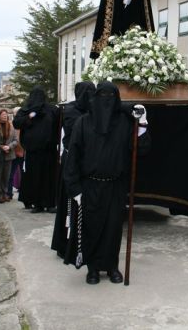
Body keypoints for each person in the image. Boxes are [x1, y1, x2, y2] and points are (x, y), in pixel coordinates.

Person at [63, 82, 149, 284]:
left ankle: (112, 267)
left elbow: (141, 149)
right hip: (90, 185)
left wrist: (142, 122)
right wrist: (74, 187)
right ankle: (92, 268)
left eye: (111, 96)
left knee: (113, 228)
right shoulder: (83, 123)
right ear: (95, 98)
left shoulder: (125, 123)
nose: (106, 101)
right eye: (102, 95)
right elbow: (73, 156)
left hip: (115, 185)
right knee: (92, 227)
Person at [51, 81, 95, 258]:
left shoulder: (94, 111)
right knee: (69, 204)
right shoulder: (70, 111)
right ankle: (65, 244)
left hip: (89, 163)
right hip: (73, 162)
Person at [13, 87, 59, 213]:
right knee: (35, 177)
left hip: (49, 150)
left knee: (48, 177)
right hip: (33, 151)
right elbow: (17, 123)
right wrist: (30, 116)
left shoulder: (52, 110)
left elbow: (58, 126)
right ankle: (37, 203)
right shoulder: (25, 110)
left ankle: (50, 203)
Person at [0, 109, 17, 202]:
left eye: (6, 114)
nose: (5, 116)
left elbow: (16, 140)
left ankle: (5, 193)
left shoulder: (11, 126)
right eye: (3, 114)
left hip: (9, 154)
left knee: (6, 176)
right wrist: (1, 146)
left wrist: (9, 146)